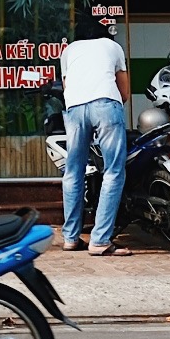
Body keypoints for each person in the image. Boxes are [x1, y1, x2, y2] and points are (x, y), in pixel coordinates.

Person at [59, 16, 130, 255]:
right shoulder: (113, 47)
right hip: (105, 104)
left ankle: (70, 238)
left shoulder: (68, 51)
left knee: (73, 171)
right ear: (105, 34)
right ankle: (99, 240)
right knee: (113, 170)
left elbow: (67, 87)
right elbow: (125, 91)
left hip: (75, 108)